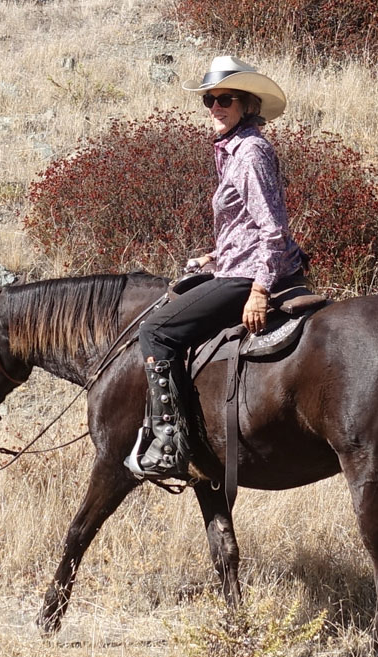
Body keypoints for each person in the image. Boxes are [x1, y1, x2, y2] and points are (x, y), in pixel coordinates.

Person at [125, 56, 307, 480]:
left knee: (155, 330)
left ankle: (169, 443)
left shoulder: (251, 152)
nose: (215, 107)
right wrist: (214, 257)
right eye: (210, 100)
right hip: (236, 265)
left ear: (246, 104)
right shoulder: (232, 150)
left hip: (251, 274)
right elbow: (244, 225)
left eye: (225, 99)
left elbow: (273, 228)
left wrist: (259, 289)